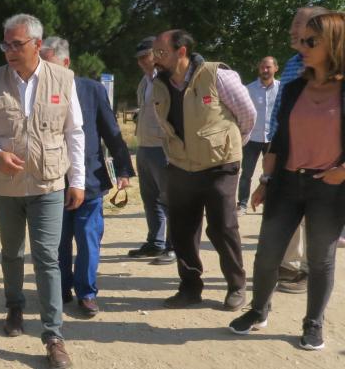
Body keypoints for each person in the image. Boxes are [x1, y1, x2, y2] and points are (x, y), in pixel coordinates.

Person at [0, 14, 85, 369]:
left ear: (37, 44)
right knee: (12, 251)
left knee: (47, 256)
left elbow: (74, 132)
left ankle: (53, 336)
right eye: (6, 44)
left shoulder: (63, 79)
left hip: (48, 183)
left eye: (17, 44)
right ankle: (15, 306)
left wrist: (77, 180)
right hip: (5, 186)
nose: (9, 51)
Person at [228, 11, 345, 351]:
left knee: (321, 260)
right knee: (267, 255)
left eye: (311, 42)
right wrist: (265, 179)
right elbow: (279, 139)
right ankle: (258, 311)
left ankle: (313, 324)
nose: (301, 48)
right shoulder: (294, 88)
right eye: (302, 41)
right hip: (286, 184)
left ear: (334, 44)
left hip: (329, 188)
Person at [151, 29, 256, 310]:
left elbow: (247, 115)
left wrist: (228, 147)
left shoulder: (217, 75)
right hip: (180, 165)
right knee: (182, 230)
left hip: (219, 165)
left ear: (181, 51)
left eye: (161, 52)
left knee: (223, 226)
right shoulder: (157, 84)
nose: (155, 59)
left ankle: (236, 285)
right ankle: (189, 288)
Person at [39, 36, 135, 317]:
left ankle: (87, 292)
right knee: (57, 241)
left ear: (66, 63)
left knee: (88, 239)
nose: (44, 71)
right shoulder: (37, 92)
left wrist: (124, 169)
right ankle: (61, 289)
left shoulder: (92, 90)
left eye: (49, 65)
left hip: (89, 182)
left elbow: (111, 131)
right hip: (53, 181)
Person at [267, 6, 329, 294]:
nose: (293, 29)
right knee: (286, 203)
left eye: (299, 24)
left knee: (315, 212)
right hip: (286, 144)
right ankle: (289, 265)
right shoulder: (293, 61)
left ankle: (309, 269)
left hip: (319, 150)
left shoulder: (332, 65)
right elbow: (283, 107)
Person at [127, 36, 176, 265]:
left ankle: (174, 246)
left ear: (156, 55)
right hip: (145, 146)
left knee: (170, 199)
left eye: (145, 56)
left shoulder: (167, 80)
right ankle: (155, 242)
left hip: (163, 147)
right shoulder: (144, 81)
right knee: (150, 199)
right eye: (138, 59)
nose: (142, 62)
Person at [237, 57, 279, 216]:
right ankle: (241, 204)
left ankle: (271, 205)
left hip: (273, 139)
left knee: (273, 174)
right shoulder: (248, 89)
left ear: (276, 68)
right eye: (262, 67)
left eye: (268, 67)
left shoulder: (282, 89)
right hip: (252, 139)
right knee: (246, 173)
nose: (265, 70)